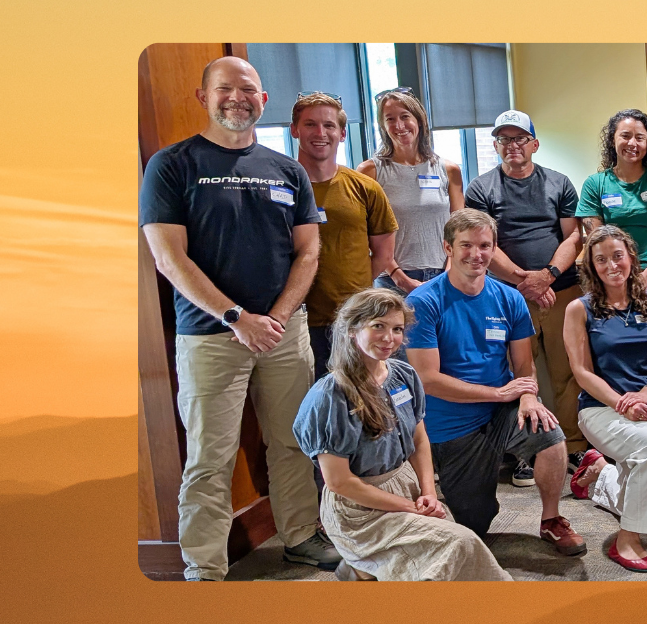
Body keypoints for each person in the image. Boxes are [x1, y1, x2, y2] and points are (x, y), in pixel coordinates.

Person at [139, 57, 335, 581]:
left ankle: (299, 535)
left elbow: (308, 253)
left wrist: (275, 316)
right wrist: (235, 317)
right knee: (209, 456)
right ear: (203, 96)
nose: (237, 98)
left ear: (263, 100)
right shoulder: (172, 164)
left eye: (247, 89)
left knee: (294, 442)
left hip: (283, 332)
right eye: (224, 88)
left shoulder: (287, 170)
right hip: (209, 335)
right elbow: (169, 257)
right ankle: (203, 565)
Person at [293, 289, 511, 581]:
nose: (389, 338)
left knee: (448, 538)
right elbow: (339, 481)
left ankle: (362, 569)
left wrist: (429, 493)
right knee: (460, 544)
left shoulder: (404, 375)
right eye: (378, 326)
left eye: (397, 329)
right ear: (351, 330)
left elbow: (419, 440)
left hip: (404, 486)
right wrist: (410, 508)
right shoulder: (331, 396)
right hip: (359, 510)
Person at [404, 209, 584, 556]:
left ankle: (551, 520)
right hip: (451, 425)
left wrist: (529, 397)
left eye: (484, 245)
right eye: (466, 245)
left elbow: (523, 364)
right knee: (475, 524)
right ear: (448, 248)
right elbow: (428, 381)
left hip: (503, 410)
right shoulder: (424, 302)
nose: (476, 254)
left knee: (550, 435)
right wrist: (499, 393)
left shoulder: (509, 298)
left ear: (494, 247)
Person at [465, 109, 588, 463]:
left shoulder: (559, 182)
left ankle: (574, 447)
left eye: (519, 138)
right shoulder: (481, 188)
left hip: (561, 291)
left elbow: (573, 237)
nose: (512, 145)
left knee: (569, 371)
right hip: (506, 297)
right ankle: (523, 450)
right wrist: (524, 281)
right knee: (517, 374)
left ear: (534, 144)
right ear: (495, 145)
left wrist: (546, 275)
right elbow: (483, 244)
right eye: (504, 139)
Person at [564, 225, 647, 573]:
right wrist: (621, 402)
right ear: (592, 267)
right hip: (602, 409)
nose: (611, 265)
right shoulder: (578, 309)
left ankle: (600, 473)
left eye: (617, 256)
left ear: (631, 256)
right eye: (601, 260)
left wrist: (646, 393)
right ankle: (626, 539)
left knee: (644, 476)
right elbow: (582, 372)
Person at [292, 92, 398, 378]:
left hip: (355, 321)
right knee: (310, 408)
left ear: (342, 133)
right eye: (310, 124)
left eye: (328, 126)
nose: (320, 133)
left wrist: (353, 291)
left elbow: (384, 254)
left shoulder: (366, 188)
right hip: (297, 321)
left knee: (360, 404)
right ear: (294, 130)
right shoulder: (281, 188)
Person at [577, 109, 647, 324]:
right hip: (613, 278)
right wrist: (623, 276)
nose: (633, 143)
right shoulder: (594, 185)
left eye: (640, 138)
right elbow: (599, 242)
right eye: (625, 136)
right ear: (613, 140)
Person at [359, 87, 462, 298]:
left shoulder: (449, 170)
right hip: (392, 280)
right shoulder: (370, 171)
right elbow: (365, 231)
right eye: (390, 119)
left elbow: (459, 227)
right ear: (382, 126)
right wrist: (398, 275)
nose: (399, 126)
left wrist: (451, 269)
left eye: (405, 116)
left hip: (445, 275)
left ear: (419, 120)